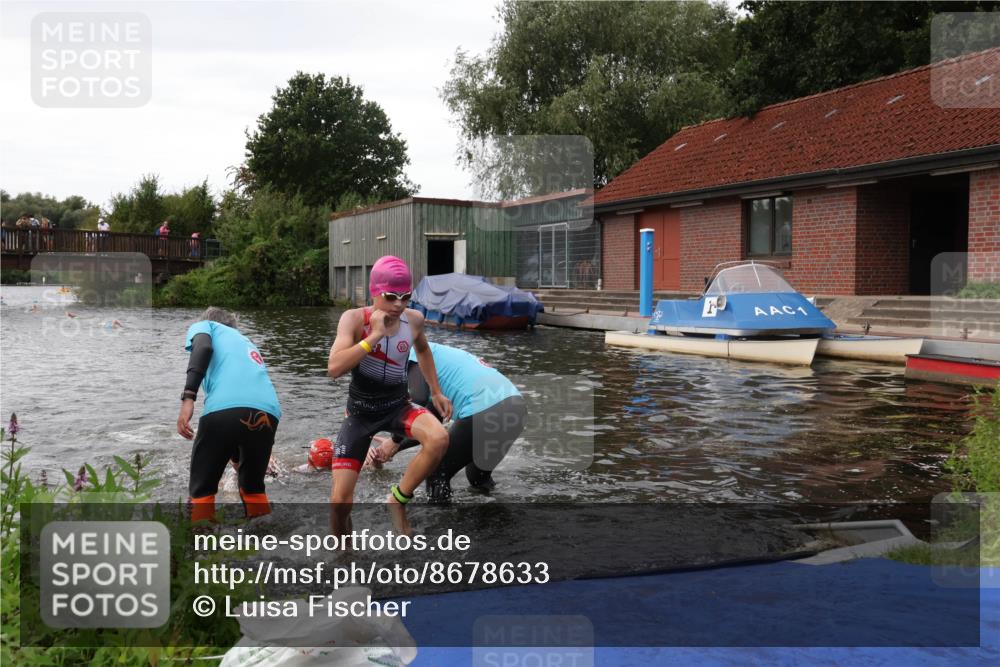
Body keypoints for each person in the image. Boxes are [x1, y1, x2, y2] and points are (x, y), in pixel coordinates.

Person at [326, 256, 451, 533]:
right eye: (391, 296)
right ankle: (344, 557)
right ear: (375, 293)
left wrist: (437, 391)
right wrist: (374, 336)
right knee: (339, 503)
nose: (399, 304)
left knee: (439, 438)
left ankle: (397, 500)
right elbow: (334, 368)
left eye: (405, 297)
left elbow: (423, 350)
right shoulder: (355, 319)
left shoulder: (414, 320)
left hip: (397, 407)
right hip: (360, 415)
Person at [366, 342, 527, 501]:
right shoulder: (431, 354)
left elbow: (419, 399)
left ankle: (442, 525)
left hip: (486, 410)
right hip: (514, 408)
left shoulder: (411, 354)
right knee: (477, 479)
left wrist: (395, 440)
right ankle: (490, 519)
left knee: (435, 471)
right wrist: (395, 445)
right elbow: (432, 420)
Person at [177, 306, 282, 522]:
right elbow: (240, 418)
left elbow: (203, 348)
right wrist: (236, 457)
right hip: (268, 412)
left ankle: (202, 547)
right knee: (253, 488)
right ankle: (263, 540)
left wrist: (189, 398)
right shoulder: (245, 342)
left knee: (202, 489)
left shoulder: (207, 326)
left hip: (225, 409)